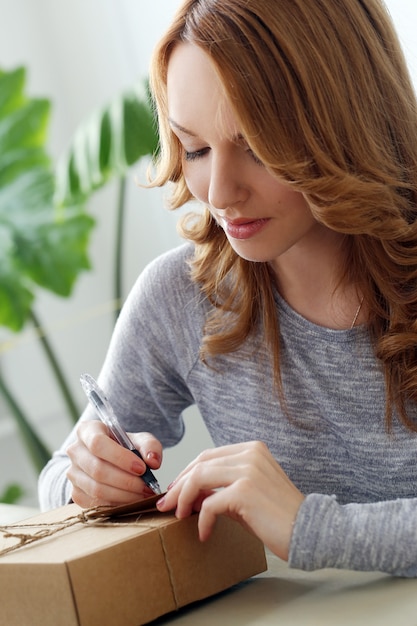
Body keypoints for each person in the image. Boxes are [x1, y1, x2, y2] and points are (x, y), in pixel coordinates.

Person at [39, 0, 417, 577]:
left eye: (258, 148)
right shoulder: (181, 296)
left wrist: (307, 526)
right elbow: (55, 482)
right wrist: (87, 480)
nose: (219, 192)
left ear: (345, 123)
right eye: (195, 148)